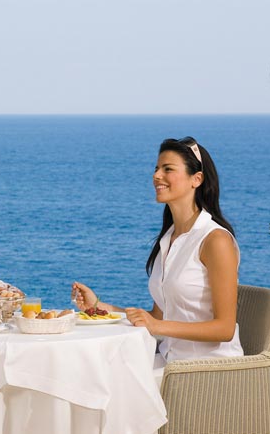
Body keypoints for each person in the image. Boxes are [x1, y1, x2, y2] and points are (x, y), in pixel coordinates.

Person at [72, 136, 243, 365]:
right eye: (156, 169)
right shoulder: (168, 239)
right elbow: (157, 317)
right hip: (170, 361)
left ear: (197, 179)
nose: (156, 176)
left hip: (207, 369)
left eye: (168, 169)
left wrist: (157, 326)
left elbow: (224, 329)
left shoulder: (215, 240)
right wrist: (98, 307)